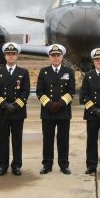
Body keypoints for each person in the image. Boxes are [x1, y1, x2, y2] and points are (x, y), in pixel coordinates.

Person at [0, 42, 30, 176]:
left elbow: (26, 91)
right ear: (5, 56)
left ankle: (16, 165)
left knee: (17, 139)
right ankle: (2, 165)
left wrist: (14, 105)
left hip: (17, 112)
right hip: (2, 112)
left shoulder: (23, 72)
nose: (11, 56)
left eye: (13, 54)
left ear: (17, 56)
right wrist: (4, 105)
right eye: (8, 54)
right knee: (2, 139)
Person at [36, 44, 75, 174]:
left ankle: (64, 164)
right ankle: (47, 164)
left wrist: (60, 104)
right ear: (49, 57)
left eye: (58, 55)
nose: (56, 58)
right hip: (48, 112)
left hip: (63, 111)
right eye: (53, 56)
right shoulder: (44, 71)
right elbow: (39, 91)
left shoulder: (68, 71)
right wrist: (49, 104)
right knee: (47, 139)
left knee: (63, 139)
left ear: (62, 57)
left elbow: (71, 91)